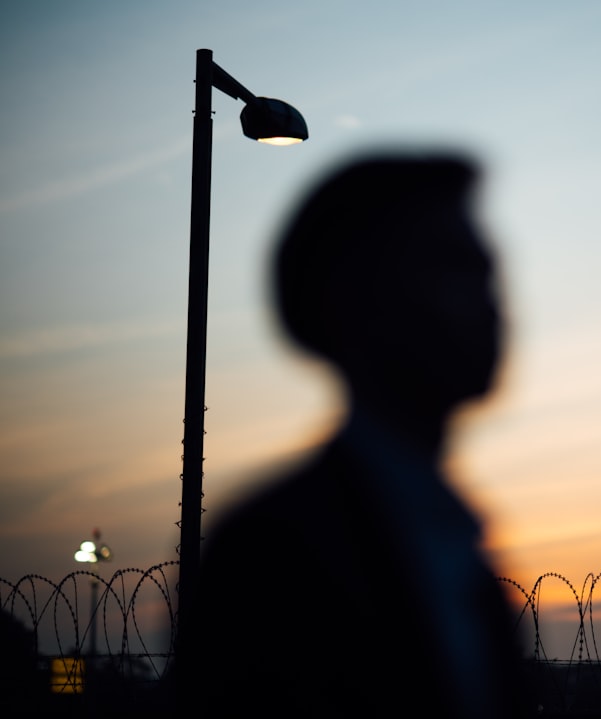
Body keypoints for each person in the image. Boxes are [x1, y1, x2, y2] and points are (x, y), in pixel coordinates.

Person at [188, 152, 528, 717]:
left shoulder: (460, 549)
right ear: (354, 298)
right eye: (453, 268)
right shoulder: (272, 554)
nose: (493, 303)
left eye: (488, 270)